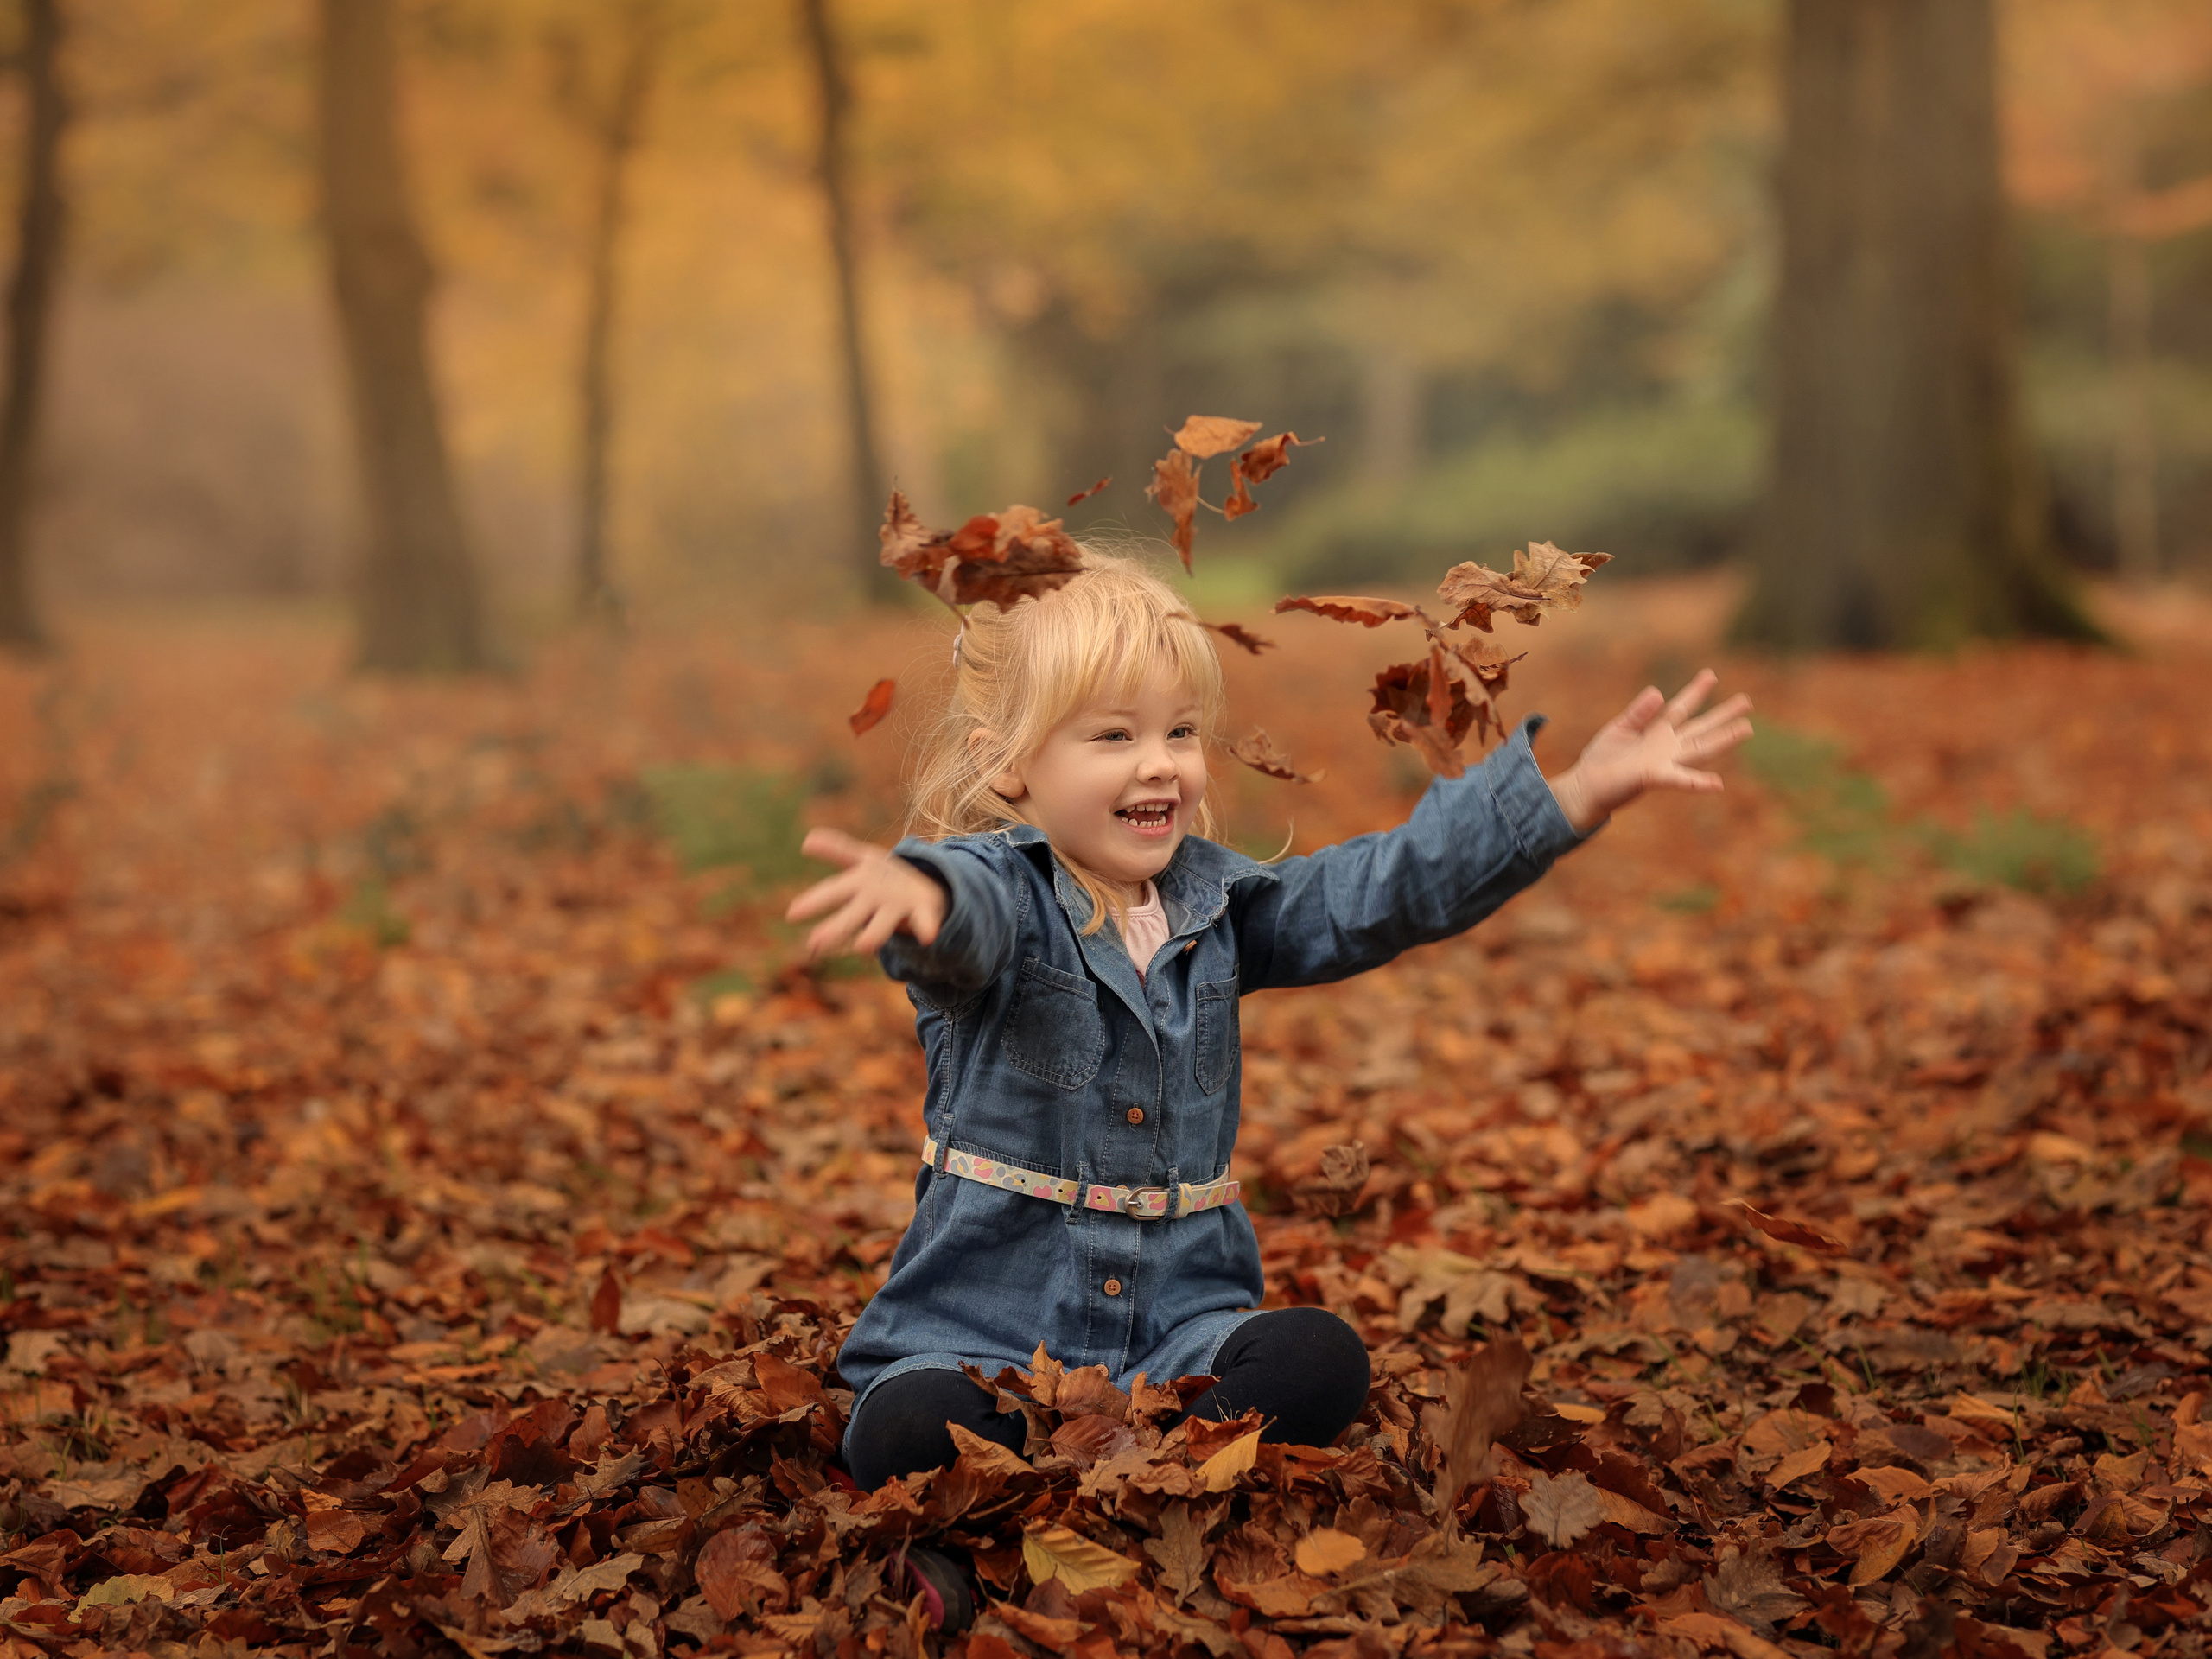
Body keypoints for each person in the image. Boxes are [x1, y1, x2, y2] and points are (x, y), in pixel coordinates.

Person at [788, 551, 1750, 1500]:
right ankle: (1005, 1487)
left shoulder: (1221, 909)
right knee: (913, 1428)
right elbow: (966, 913)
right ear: (1008, 763)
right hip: (985, 1332)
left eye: (1179, 731)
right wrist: (920, 893)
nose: (1160, 762)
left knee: (1318, 1358)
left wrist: (1569, 797)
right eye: (1114, 735)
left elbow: (1374, 891)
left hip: (1172, 1337)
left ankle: (1158, 1474)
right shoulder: (1003, 896)